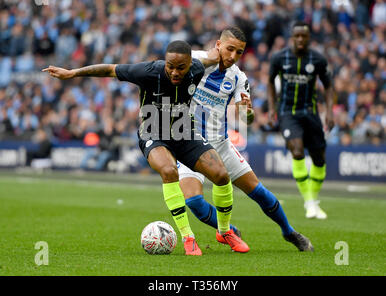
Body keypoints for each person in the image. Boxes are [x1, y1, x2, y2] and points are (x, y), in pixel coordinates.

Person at [43, 40, 249, 255]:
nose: (175, 72)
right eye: (170, 66)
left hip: (184, 133)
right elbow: (110, 69)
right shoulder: (149, 71)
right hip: (153, 133)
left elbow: (214, 56)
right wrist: (72, 73)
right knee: (169, 171)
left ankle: (224, 231)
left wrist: (226, 51)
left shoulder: (198, 68)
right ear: (165, 61)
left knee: (221, 175)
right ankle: (188, 237)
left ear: (190, 63)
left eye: (181, 67)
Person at [177, 27, 314, 252]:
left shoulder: (239, 78)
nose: (232, 56)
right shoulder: (194, 60)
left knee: (257, 191)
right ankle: (229, 230)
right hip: (189, 144)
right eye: (229, 49)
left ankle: (289, 232)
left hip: (219, 144)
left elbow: (245, 117)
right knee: (193, 201)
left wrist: (247, 114)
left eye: (238, 52)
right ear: (218, 45)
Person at [267, 21, 335, 219]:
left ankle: (312, 200)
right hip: (288, 112)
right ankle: (310, 202)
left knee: (319, 158)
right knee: (296, 151)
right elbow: (270, 81)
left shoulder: (318, 59)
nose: (300, 39)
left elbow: (329, 86)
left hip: (310, 113)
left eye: (303, 36)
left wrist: (330, 112)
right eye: (296, 36)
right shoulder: (279, 58)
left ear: (308, 38)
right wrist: (272, 108)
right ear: (291, 37)